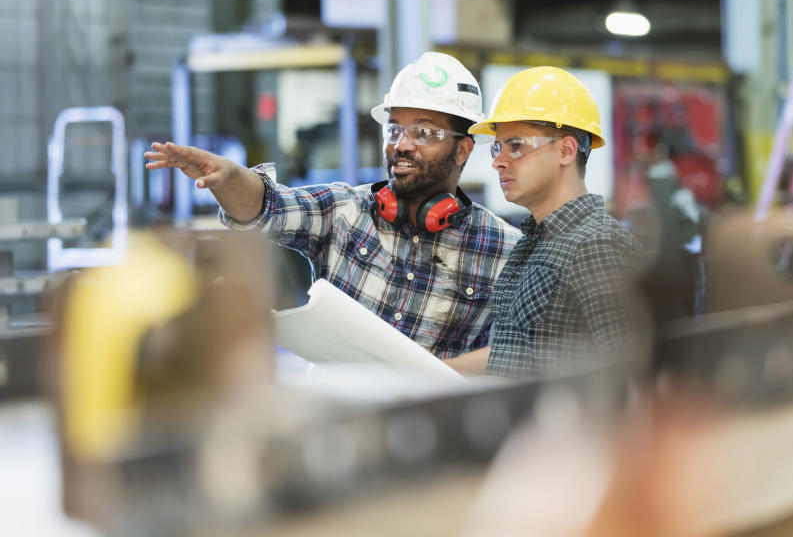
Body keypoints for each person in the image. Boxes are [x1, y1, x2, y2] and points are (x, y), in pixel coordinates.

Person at [145, 52, 521, 359]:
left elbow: (511, 359)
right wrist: (227, 177)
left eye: (423, 132)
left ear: (464, 148)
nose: (402, 144)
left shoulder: (503, 250)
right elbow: (266, 205)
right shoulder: (345, 211)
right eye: (394, 129)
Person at [444, 66, 647, 378]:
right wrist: (429, 371)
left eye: (516, 145)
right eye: (498, 147)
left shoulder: (597, 247)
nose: (498, 160)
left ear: (565, 151)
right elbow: (512, 353)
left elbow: (635, 371)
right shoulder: (532, 244)